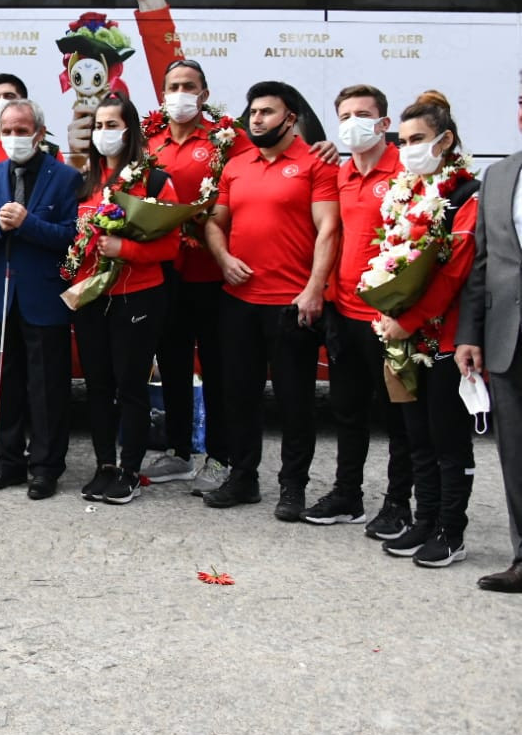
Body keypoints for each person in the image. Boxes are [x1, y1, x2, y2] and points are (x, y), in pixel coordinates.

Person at [201, 82, 340, 520]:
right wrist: (223, 259)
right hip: (238, 302)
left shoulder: (316, 163)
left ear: (290, 118)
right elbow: (214, 223)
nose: (256, 119)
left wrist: (314, 288)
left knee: (295, 401)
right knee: (238, 396)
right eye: (253, 112)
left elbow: (329, 229)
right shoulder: (235, 165)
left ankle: (293, 487)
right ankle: (243, 478)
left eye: (266, 111)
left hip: (291, 303)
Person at [374, 94, 478, 567]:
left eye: (418, 139)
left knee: (447, 439)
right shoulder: (406, 192)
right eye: (403, 141)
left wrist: (407, 321)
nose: (408, 149)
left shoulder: (467, 195)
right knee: (417, 436)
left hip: (448, 338)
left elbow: (455, 273)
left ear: (446, 140)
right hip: (405, 336)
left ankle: (450, 531)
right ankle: (424, 519)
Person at [141, 58, 252, 493]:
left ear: (204, 94)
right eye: (173, 86)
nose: (180, 94)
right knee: (172, 361)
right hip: (166, 269)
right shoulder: (151, 141)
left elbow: (249, 182)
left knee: (218, 365)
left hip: (212, 270)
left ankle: (221, 456)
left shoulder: (226, 139)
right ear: (163, 94)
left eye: (189, 86)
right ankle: (179, 451)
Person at [311, 84, 414, 533]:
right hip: (345, 313)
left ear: (384, 123)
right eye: (345, 116)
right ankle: (347, 495)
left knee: (398, 417)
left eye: (363, 114)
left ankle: (398, 504)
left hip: (388, 319)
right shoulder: (340, 173)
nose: (353, 123)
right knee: (347, 411)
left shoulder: (405, 171)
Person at [69, 98, 180, 504]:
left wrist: (125, 249)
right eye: (98, 125)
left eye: (112, 124)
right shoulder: (85, 181)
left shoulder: (154, 181)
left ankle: (129, 469)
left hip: (138, 295)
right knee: (97, 385)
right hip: (92, 296)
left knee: (130, 386)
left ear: (129, 129)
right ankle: (105, 465)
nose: (104, 132)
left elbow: (170, 246)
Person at [0, 101, 83, 498]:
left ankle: (45, 467)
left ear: (39, 133)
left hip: (44, 297)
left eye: (22, 131)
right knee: (3, 386)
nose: (14, 137)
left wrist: (28, 223)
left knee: (47, 388)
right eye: (7, 130)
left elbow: (72, 236)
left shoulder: (66, 177)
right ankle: (8, 462)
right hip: (1, 297)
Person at [456, 87, 522, 592]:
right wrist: (470, 335)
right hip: (507, 339)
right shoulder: (499, 176)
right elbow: (482, 263)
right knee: (516, 455)